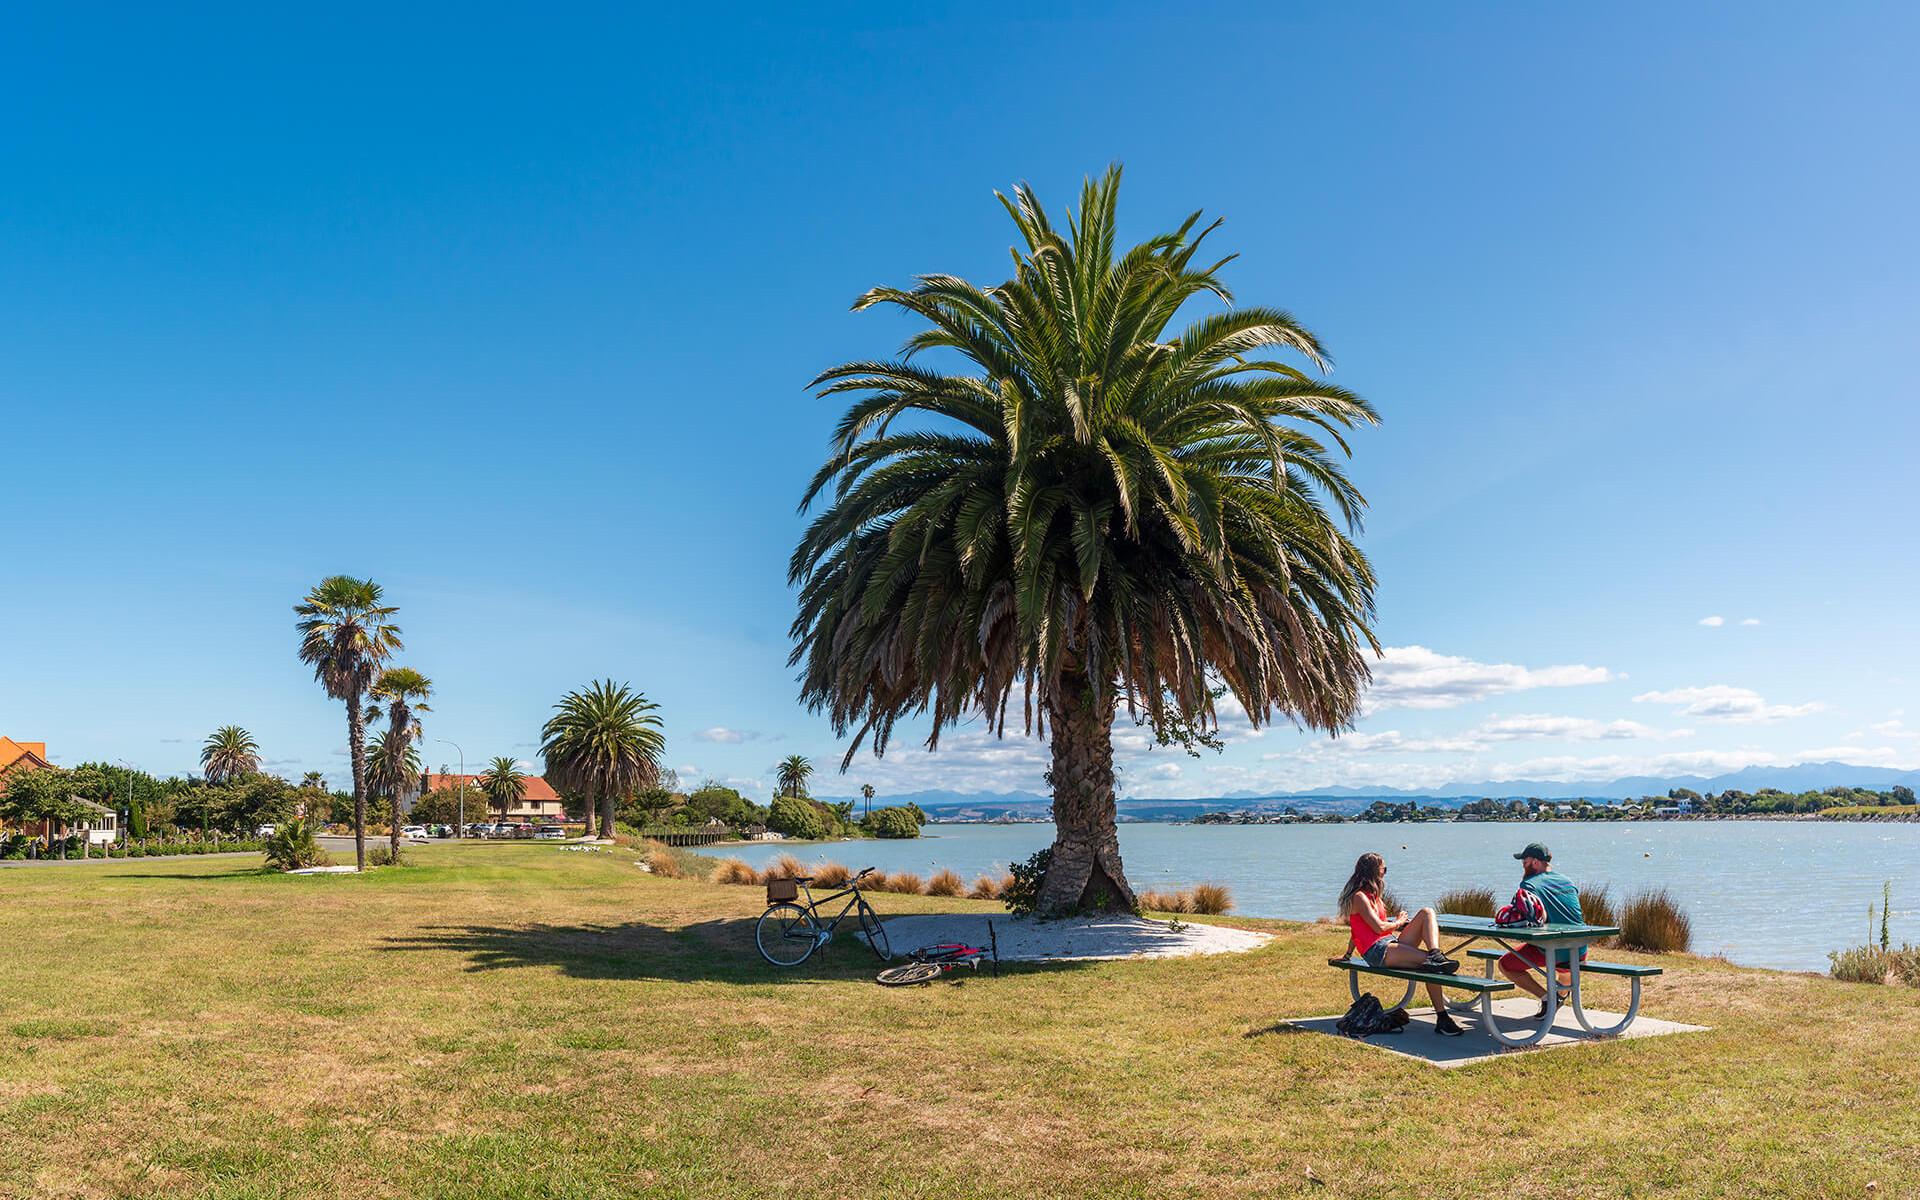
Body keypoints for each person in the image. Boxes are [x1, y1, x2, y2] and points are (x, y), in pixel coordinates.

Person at [1338, 852, 1465, 1037]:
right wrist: (1398, 922)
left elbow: (1357, 930)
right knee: (1431, 966)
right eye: (1384, 870)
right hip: (1378, 952)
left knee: (1427, 913)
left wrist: (1348, 954)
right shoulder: (1359, 897)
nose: (1384, 874)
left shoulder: (1374, 897)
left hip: (1389, 944)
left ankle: (1435, 953)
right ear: (1374, 871)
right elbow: (1379, 927)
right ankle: (1443, 1017)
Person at [1494, 841, 1585, 1016]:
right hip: (1580, 949)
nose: (1522, 865)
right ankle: (1560, 995)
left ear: (1536, 862)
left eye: (1525, 862)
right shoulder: (1568, 881)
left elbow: (1527, 916)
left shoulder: (1529, 884)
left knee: (1506, 964)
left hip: (1551, 949)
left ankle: (1548, 998)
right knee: (1567, 966)